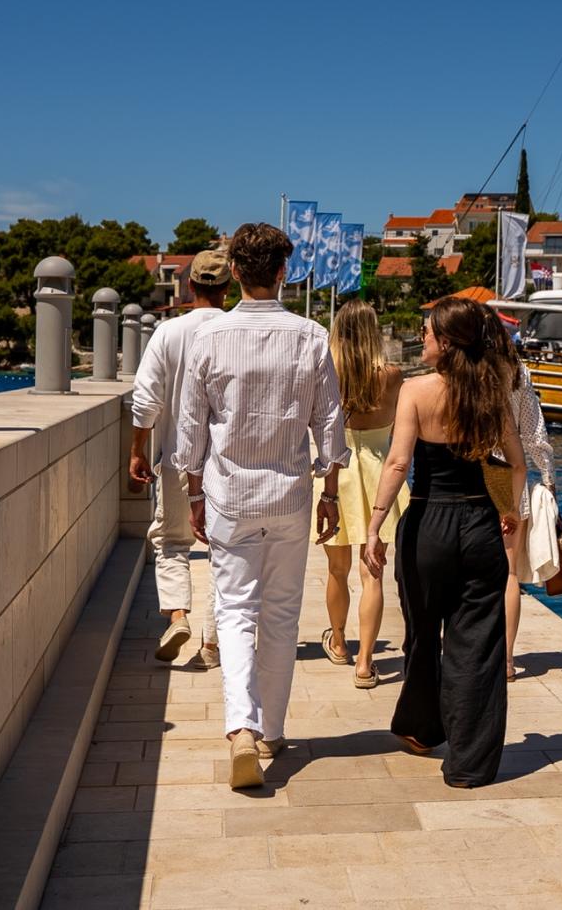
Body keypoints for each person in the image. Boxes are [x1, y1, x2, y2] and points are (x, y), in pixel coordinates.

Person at [174, 222, 346, 791]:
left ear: (236, 273)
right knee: (281, 613)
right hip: (291, 495)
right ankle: (272, 729)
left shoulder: (209, 338)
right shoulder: (311, 336)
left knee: (234, 610)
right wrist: (332, 490)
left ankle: (241, 727)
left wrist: (194, 493)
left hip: (229, 495)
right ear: (281, 272)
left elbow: (191, 428)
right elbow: (329, 422)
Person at [363, 299, 526, 789]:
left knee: (421, 634)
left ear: (447, 342)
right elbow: (517, 463)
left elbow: (397, 465)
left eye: (429, 330)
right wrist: (509, 513)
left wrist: (374, 526)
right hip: (479, 523)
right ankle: (470, 764)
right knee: (477, 644)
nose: (423, 335)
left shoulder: (415, 390)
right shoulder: (492, 392)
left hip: (428, 525)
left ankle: (421, 729)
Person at [127, 247, 232, 668]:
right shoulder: (235, 330)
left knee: (171, 541)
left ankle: (178, 615)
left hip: (174, 457)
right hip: (226, 463)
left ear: (190, 285)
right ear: (229, 286)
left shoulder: (168, 333)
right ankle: (211, 641)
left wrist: (138, 452)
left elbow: (145, 401)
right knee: (225, 550)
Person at [314, 300, 405, 689]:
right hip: (380, 475)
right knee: (374, 575)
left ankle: (338, 641)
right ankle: (366, 664)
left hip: (339, 474)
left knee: (337, 569)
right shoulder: (393, 375)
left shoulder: (326, 373)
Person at [487, 324, 555, 682]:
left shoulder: (470, 371)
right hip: (511, 477)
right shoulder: (518, 372)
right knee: (509, 574)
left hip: (476, 476)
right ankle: (508, 661)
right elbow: (533, 432)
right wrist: (548, 477)